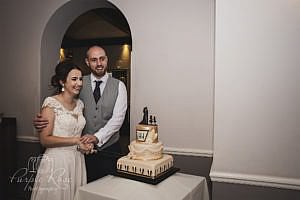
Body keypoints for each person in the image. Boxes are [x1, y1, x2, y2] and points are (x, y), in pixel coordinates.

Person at [34, 45, 128, 183]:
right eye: (94, 60)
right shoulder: (78, 81)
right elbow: (59, 106)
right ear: (87, 62)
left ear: (107, 60)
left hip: (110, 149)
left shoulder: (119, 86)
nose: (99, 63)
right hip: (81, 152)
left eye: (102, 59)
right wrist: (41, 119)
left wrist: (96, 137)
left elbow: (117, 120)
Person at [31, 61, 94, 200]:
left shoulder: (80, 105)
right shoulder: (51, 103)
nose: (79, 83)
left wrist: (84, 144)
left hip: (77, 160)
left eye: (80, 79)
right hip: (57, 161)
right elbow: (44, 140)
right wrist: (75, 140)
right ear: (62, 82)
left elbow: (77, 132)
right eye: (74, 79)